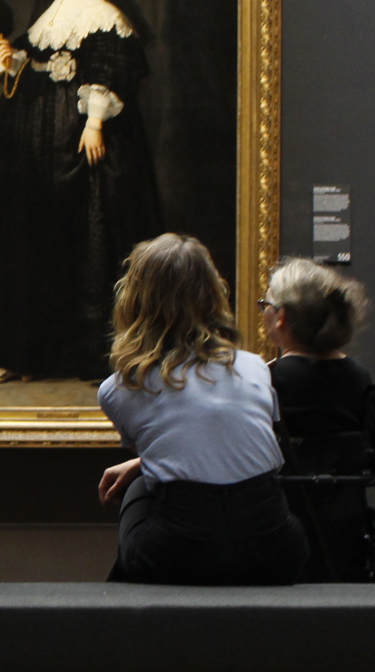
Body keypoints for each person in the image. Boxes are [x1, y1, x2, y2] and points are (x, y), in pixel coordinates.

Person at [0, 0, 164, 382]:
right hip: (40, 146)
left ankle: (95, 353)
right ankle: (25, 354)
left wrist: (94, 122)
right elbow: (35, 63)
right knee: (34, 237)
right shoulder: (50, 13)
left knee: (89, 235)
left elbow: (110, 68)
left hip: (80, 138)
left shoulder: (103, 12)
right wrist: (11, 59)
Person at [95, 234, 308, 586]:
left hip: (179, 555)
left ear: (134, 300)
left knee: (141, 486)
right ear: (213, 295)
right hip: (275, 550)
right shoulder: (255, 367)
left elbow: (174, 452)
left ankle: (121, 605)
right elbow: (233, 442)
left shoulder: (120, 388)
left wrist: (139, 464)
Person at [261, 258, 375, 583]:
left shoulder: (268, 378)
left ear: (281, 317)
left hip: (279, 528)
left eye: (265, 305)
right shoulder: (358, 377)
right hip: (345, 535)